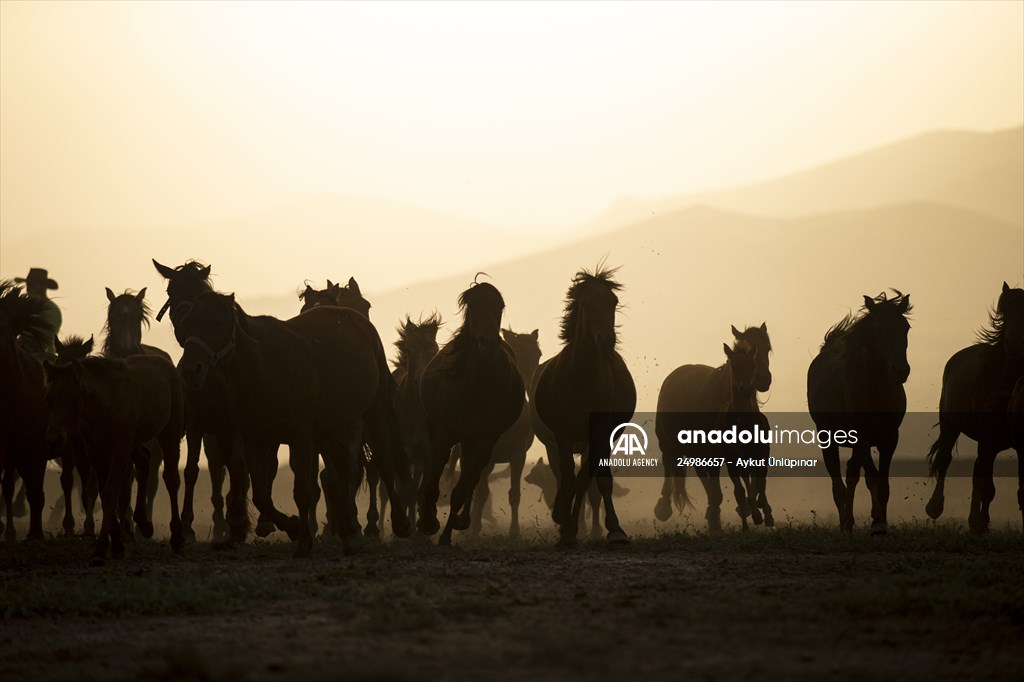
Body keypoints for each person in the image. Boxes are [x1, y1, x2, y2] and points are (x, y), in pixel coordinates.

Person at [14, 267, 62, 356]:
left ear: (41, 286)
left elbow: (42, 336)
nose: (28, 288)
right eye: (28, 285)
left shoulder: (50, 309)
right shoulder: (29, 306)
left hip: (41, 356)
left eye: (32, 285)